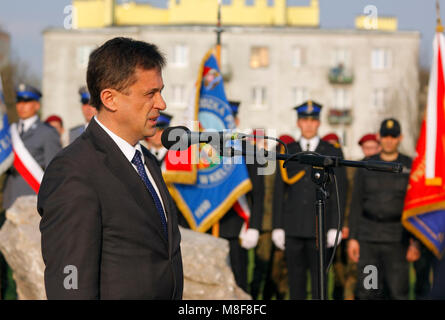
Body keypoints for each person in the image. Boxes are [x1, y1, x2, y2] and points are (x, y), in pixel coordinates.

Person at [38, 37, 183, 299]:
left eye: (161, 91)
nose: (161, 104)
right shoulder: (74, 170)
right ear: (110, 99)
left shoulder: (146, 161)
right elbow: (70, 283)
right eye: (150, 94)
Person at [272, 100, 348, 299]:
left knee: (319, 285)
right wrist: (277, 226)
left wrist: (335, 226)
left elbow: (340, 189)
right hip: (293, 226)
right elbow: (279, 191)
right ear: (298, 123)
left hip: (319, 228)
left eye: (312, 120)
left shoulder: (331, 151)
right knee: (295, 284)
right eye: (304, 120)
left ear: (319, 123)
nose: (308, 124)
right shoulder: (288, 150)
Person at [347, 118, 420, 300]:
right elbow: (356, 203)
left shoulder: (410, 166)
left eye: (393, 136)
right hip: (369, 239)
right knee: (368, 292)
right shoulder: (366, 164)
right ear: (379, 137)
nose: (389, 140)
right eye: (385, 136)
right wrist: (353, 238)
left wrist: (415, 242)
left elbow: (416, 205)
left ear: (400, 138)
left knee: (397, 293)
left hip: (398, 240)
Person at [214, 100, 265, 293]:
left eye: (230, 120)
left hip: (238, 226)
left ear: (237, 120)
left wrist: (254, 226)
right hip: (210, 223)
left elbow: (259, 193)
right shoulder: (206, 150)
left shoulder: (249, 150)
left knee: (238, 283)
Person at [3, 84, 62, 210]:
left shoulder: (48, 132)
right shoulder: (9, 131)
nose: (22, 105)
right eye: (19, 101)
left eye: (27, 101)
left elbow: (54, 171)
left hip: (32, 196)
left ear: (37, 105)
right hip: (9, 195)